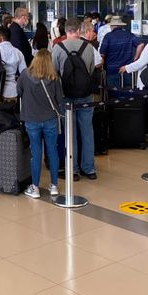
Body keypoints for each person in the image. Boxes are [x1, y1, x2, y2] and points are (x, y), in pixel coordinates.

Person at [52, 17, 101, 180]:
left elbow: (54, 73)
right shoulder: (88, 47)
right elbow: (91, 69)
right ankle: (89, 168)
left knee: (69, 132)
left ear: (66, 31)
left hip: (65, 96)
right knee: (87, 130)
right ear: (79, 30)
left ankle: (72, 169)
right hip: (86, 94)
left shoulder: (58, 48)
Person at [17, 49, 63, 199]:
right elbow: (59, 99)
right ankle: (54, 185)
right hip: (50, 119)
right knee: (52, 152)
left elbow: (19, 91)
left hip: (31, 119)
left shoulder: (25, 74)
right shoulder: (54, 77)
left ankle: (35, 187)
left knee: (35, 153)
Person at [0, 26, 27, 103]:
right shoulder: (18, 52)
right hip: (14, 91)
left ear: (0, 38)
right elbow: (24, 73)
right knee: (11, 114)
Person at [100, 16, 137, 88]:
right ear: (121, 25)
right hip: (126, 69)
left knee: (113, 94)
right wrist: (136, 57)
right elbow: (141, 44)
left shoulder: (108, 36)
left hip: (111, 69)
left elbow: (102, 53)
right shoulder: (129, 35)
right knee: (127, 93)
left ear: (111, 25)